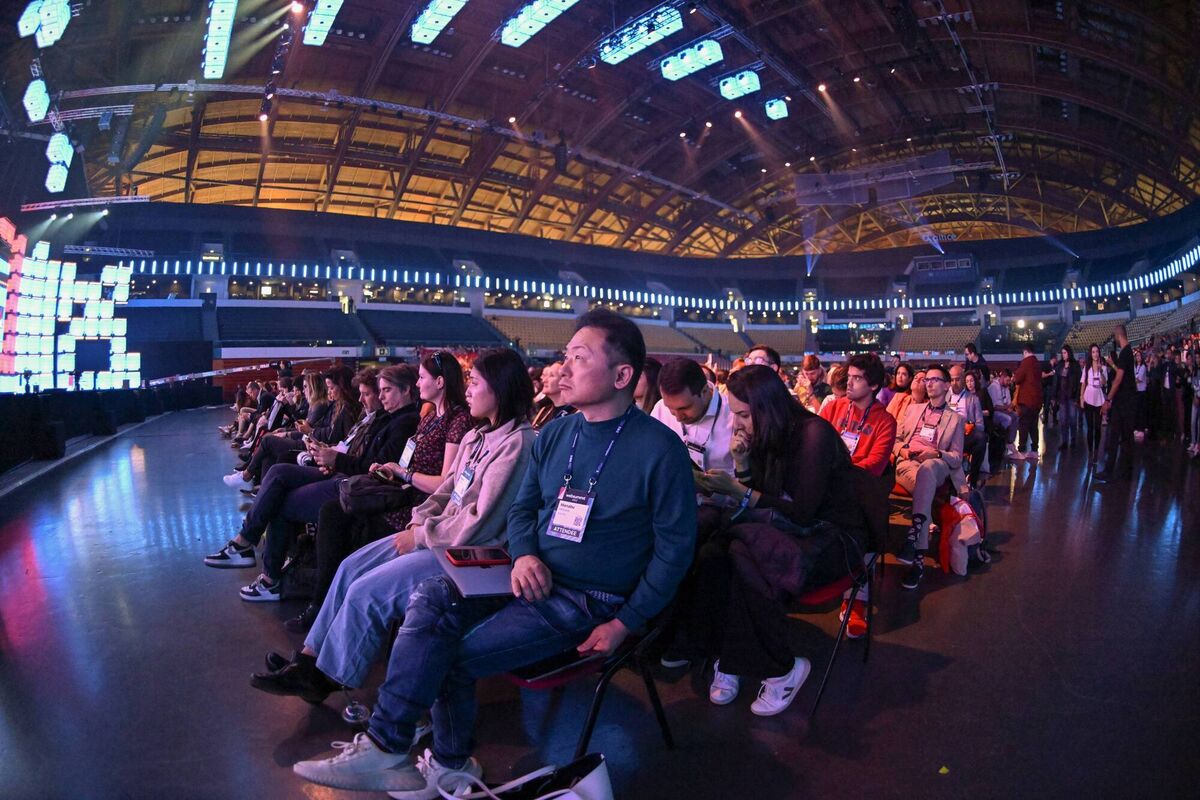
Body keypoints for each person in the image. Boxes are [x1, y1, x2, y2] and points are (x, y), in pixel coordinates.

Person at [289, 309, 697, 796]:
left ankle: (444, 761)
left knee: (447, 654)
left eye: (579, 358)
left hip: (588, 600)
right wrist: (524, 554)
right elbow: (524, 510)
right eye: (566, 355)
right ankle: (390, 749)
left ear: (623, 375)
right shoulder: (560, 433)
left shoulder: (659, 449)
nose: (564, 368)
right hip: (523, 572)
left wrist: (625, 621)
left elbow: (675, 551)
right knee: (431, 596)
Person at [251, 348, 536, 700]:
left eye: (475, 383)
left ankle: (328, 677)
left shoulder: (517, 445)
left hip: (470, 553)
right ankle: (310, 660)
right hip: (437, 536)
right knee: (349, 567)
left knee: (365, 591)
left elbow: (481, 522)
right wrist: (419, 521)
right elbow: (446, 493)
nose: (469, 390)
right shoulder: (476, 437)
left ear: (501, 389)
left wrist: (419, 535)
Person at [690, 365, 867, 714]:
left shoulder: (813, 433)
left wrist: (740, 491)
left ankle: (742, 660)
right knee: (721, 552)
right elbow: (769, 497)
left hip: (831, 541)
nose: (736, 423)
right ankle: (763, 664)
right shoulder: (767, 435)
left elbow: (801, 511)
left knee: (738, 550)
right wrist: (741, 464)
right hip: (786, 533)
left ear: (767, 407)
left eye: (742, 414)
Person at [206, 368, 422, 602]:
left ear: (407, 390)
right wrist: (332, 458)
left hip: (353, 485)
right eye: (378, 391)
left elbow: (377, 469)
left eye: (385, 391)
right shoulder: (387, 418)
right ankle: (248, 545)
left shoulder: (404, 422)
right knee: (279, 471)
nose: (379, 397)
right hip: (344, 473)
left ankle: (266, 572)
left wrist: (336, 459)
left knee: (281, 499)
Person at [892, 364, 964, 591]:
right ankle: (918, 558)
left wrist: (937, 453)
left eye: (934, 379)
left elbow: (956, 458)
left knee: (929, 467)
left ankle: (914, 538)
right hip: (909, 463)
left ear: (945, 385)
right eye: (927, 379)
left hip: (938, 465)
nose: (929, 383)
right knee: (923, 477)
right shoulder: (913, 410)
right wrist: (902, 450)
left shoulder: (955, 419)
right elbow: (895, 440)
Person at [819, 353, 897, 478]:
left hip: (858, 483)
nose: (849, 383)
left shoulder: (886, 422)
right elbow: (818, 443)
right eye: (849, 376)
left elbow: (875, 463)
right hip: (826, 474)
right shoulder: (833, 407)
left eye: (857, 378)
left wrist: (840, 472)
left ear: (873, 385)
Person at [1095, 324, 1136, 483]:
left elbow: (1118, 379)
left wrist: (1108, 399)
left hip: (1122, 402)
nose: (1115, 341)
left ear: (1119, 336)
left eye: (1115, 337)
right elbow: (1122, 373)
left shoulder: (1125, 352)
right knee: (1125, 438)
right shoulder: (1128, 352)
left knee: (1115, 436)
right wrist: (1112, 364)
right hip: (1127, 401)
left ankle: (1110, 472)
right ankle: (1126, 472)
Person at [947, 364, 987, 488]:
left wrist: (970, 425)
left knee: (982, 437)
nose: (954, 383)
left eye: (957, 379)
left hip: (965, 436)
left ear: (963, 379)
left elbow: (980, 425)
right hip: (947, 436)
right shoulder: (945, 397)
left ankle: (972, 480)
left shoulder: (973, 399)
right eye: (952, 379)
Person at [1011, 343, 1044, 461]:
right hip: (1037, 399)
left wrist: (1015, 376)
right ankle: (1034, 450)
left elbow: (1017, 378)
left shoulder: (1026, 362)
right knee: (1033, 426)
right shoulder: (1037, 363)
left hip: (1027, 399)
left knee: (1024, 425)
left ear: (1025, 352)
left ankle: (1021, 451)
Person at [1080, 344, 1108, 464]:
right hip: (1088, 396)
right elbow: (1083, 383)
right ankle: (1090, 452)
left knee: (1097, 427)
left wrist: (1101, 371)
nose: (1095, 354)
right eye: (1093, 352)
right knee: (1090, 427)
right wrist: (1081, 398)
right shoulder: (1087, 367)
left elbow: (1104, 383)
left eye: (1097, 352)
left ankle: (1096, 451)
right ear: (1090, 354)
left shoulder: (1104, 368)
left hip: (1099, 397)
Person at [530, 360, 575, 429]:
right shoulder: (544, 410)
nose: (544, 380)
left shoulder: (574, 414)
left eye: (551, 376)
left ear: (564, 381)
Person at [1054, 345, 1082, 450]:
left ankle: (1073, 440)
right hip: (1062, 396)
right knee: (1063, 420)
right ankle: (1064, 441)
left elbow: (1079, 382)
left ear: (1069, 353)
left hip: (1072, 396)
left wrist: (1078, 397)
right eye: (1062, 353)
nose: (1063, 354)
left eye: (1065, 352)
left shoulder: (1075, 365)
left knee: (1072, 419)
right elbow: (1056, 380)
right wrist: (1054, 395)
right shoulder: (1060, 365)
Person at [1134, 349, 1149, 437]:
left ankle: (1142, 428)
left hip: (1142, 391)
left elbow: (1138, 379)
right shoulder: (1135, 366)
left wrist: (1132, 380)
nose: (1138, 357)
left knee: (1141, 410)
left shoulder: (1143, 366)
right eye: (1136, 356)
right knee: (1137, 410)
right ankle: (1137, 427)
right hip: (1137, 391)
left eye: (1139, 356)